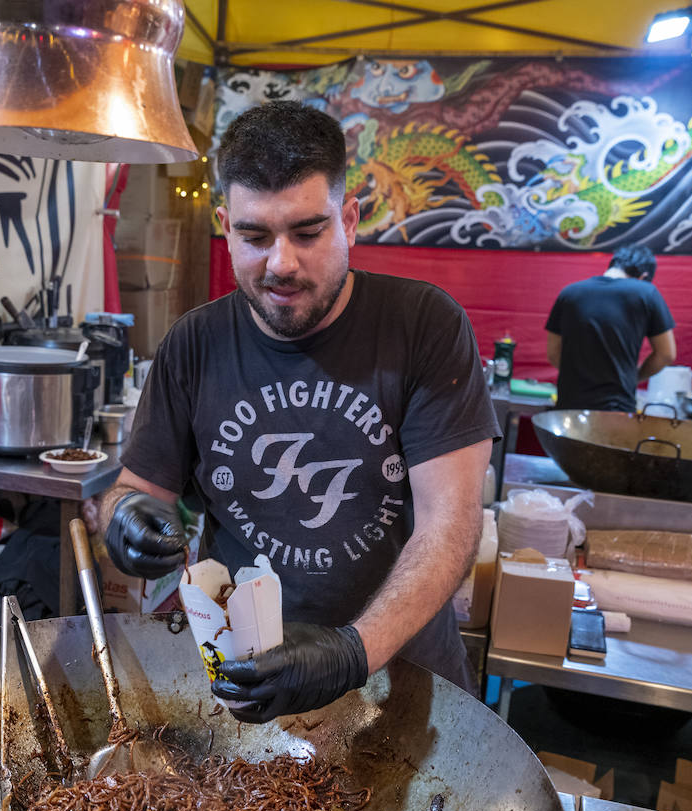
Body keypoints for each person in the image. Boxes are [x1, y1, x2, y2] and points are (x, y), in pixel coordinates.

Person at [98, 101, 500, 724]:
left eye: (307, 233)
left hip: (399, 685)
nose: (281, 263)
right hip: (244, 677)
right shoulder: (194, 344)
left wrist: (352, 652)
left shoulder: (423, 326)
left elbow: (451, 527)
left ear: (349, 220)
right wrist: (123, 517)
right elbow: (133, 489)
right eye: (254, 237)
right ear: (226, 224)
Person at [545, 244, 677, 412]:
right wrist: (633, 377)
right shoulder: (646, 293)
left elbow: (553, 353)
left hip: (569, 406)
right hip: (616, 410)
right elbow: (666, 354)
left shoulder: (569, 293)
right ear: (643, 277)